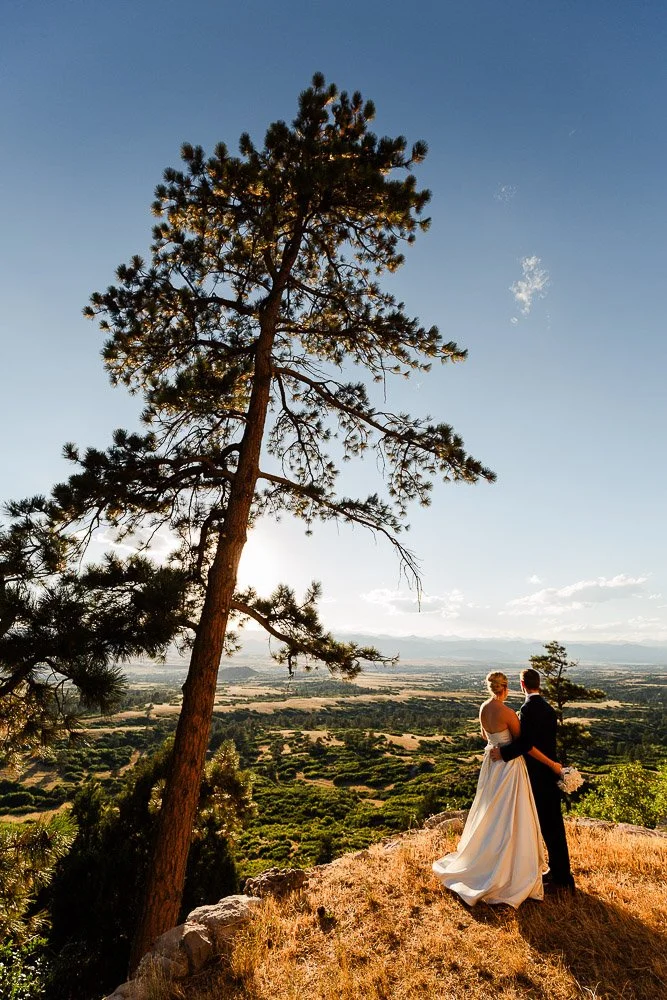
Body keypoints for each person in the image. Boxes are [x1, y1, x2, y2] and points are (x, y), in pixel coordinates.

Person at [432, 671, 562, 907]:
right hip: (509, 768)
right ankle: (509, 865)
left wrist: (497, 746)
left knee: (490, 811)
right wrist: (552, 764)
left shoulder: (483, 709)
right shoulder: (509, 713)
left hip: (491, 766)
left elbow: (486, 736)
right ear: (506, 688)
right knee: (510, 813)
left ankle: (485, 857)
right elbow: (525, 744)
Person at [490, 667, 575, 893]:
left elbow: (526, 744)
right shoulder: (548, 709)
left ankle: (562, 877)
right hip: (550, 773)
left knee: (548, 826)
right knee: (553, 826)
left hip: (537, 775)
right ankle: (559, 872)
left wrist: (503, 753)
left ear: (522, 685)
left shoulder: (527, 709)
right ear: (539, 684)